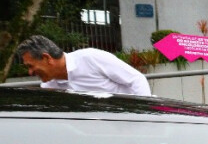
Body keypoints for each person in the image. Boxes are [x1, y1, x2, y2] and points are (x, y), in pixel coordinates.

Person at [16, 35, 151, 96]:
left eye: (30, 66)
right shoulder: (51, 86)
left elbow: (137, 80)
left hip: (131, 123)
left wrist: (145, 121)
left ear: (47, 58)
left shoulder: (91, 58)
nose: (30, 72)